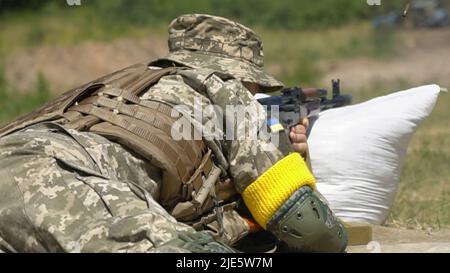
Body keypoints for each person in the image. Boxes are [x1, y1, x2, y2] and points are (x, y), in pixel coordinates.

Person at [0, 14, 347, 253]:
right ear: (245, 77)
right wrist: (295, 159)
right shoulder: (226, 92)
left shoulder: (129, 80)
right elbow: (314, 231)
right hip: (55, 180)